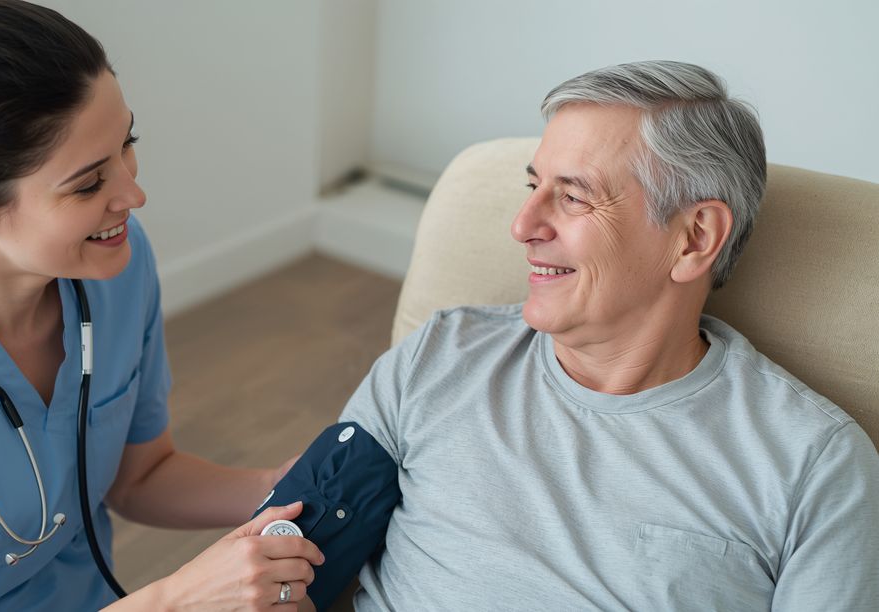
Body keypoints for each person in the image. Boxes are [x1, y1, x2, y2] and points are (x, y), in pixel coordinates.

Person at [265, 61, 879, 611]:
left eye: (574, 196)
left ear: (693, 238)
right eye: (534, 187)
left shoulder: (814, 467)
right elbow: (272, 568)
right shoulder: (439, 356)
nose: (523, 224)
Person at [0, 1, 323, 610]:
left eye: (128, 143)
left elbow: (140, 476)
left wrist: (279, 488)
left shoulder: (112, 270)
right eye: (88, 183)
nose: (134, 193)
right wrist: (178, 599)